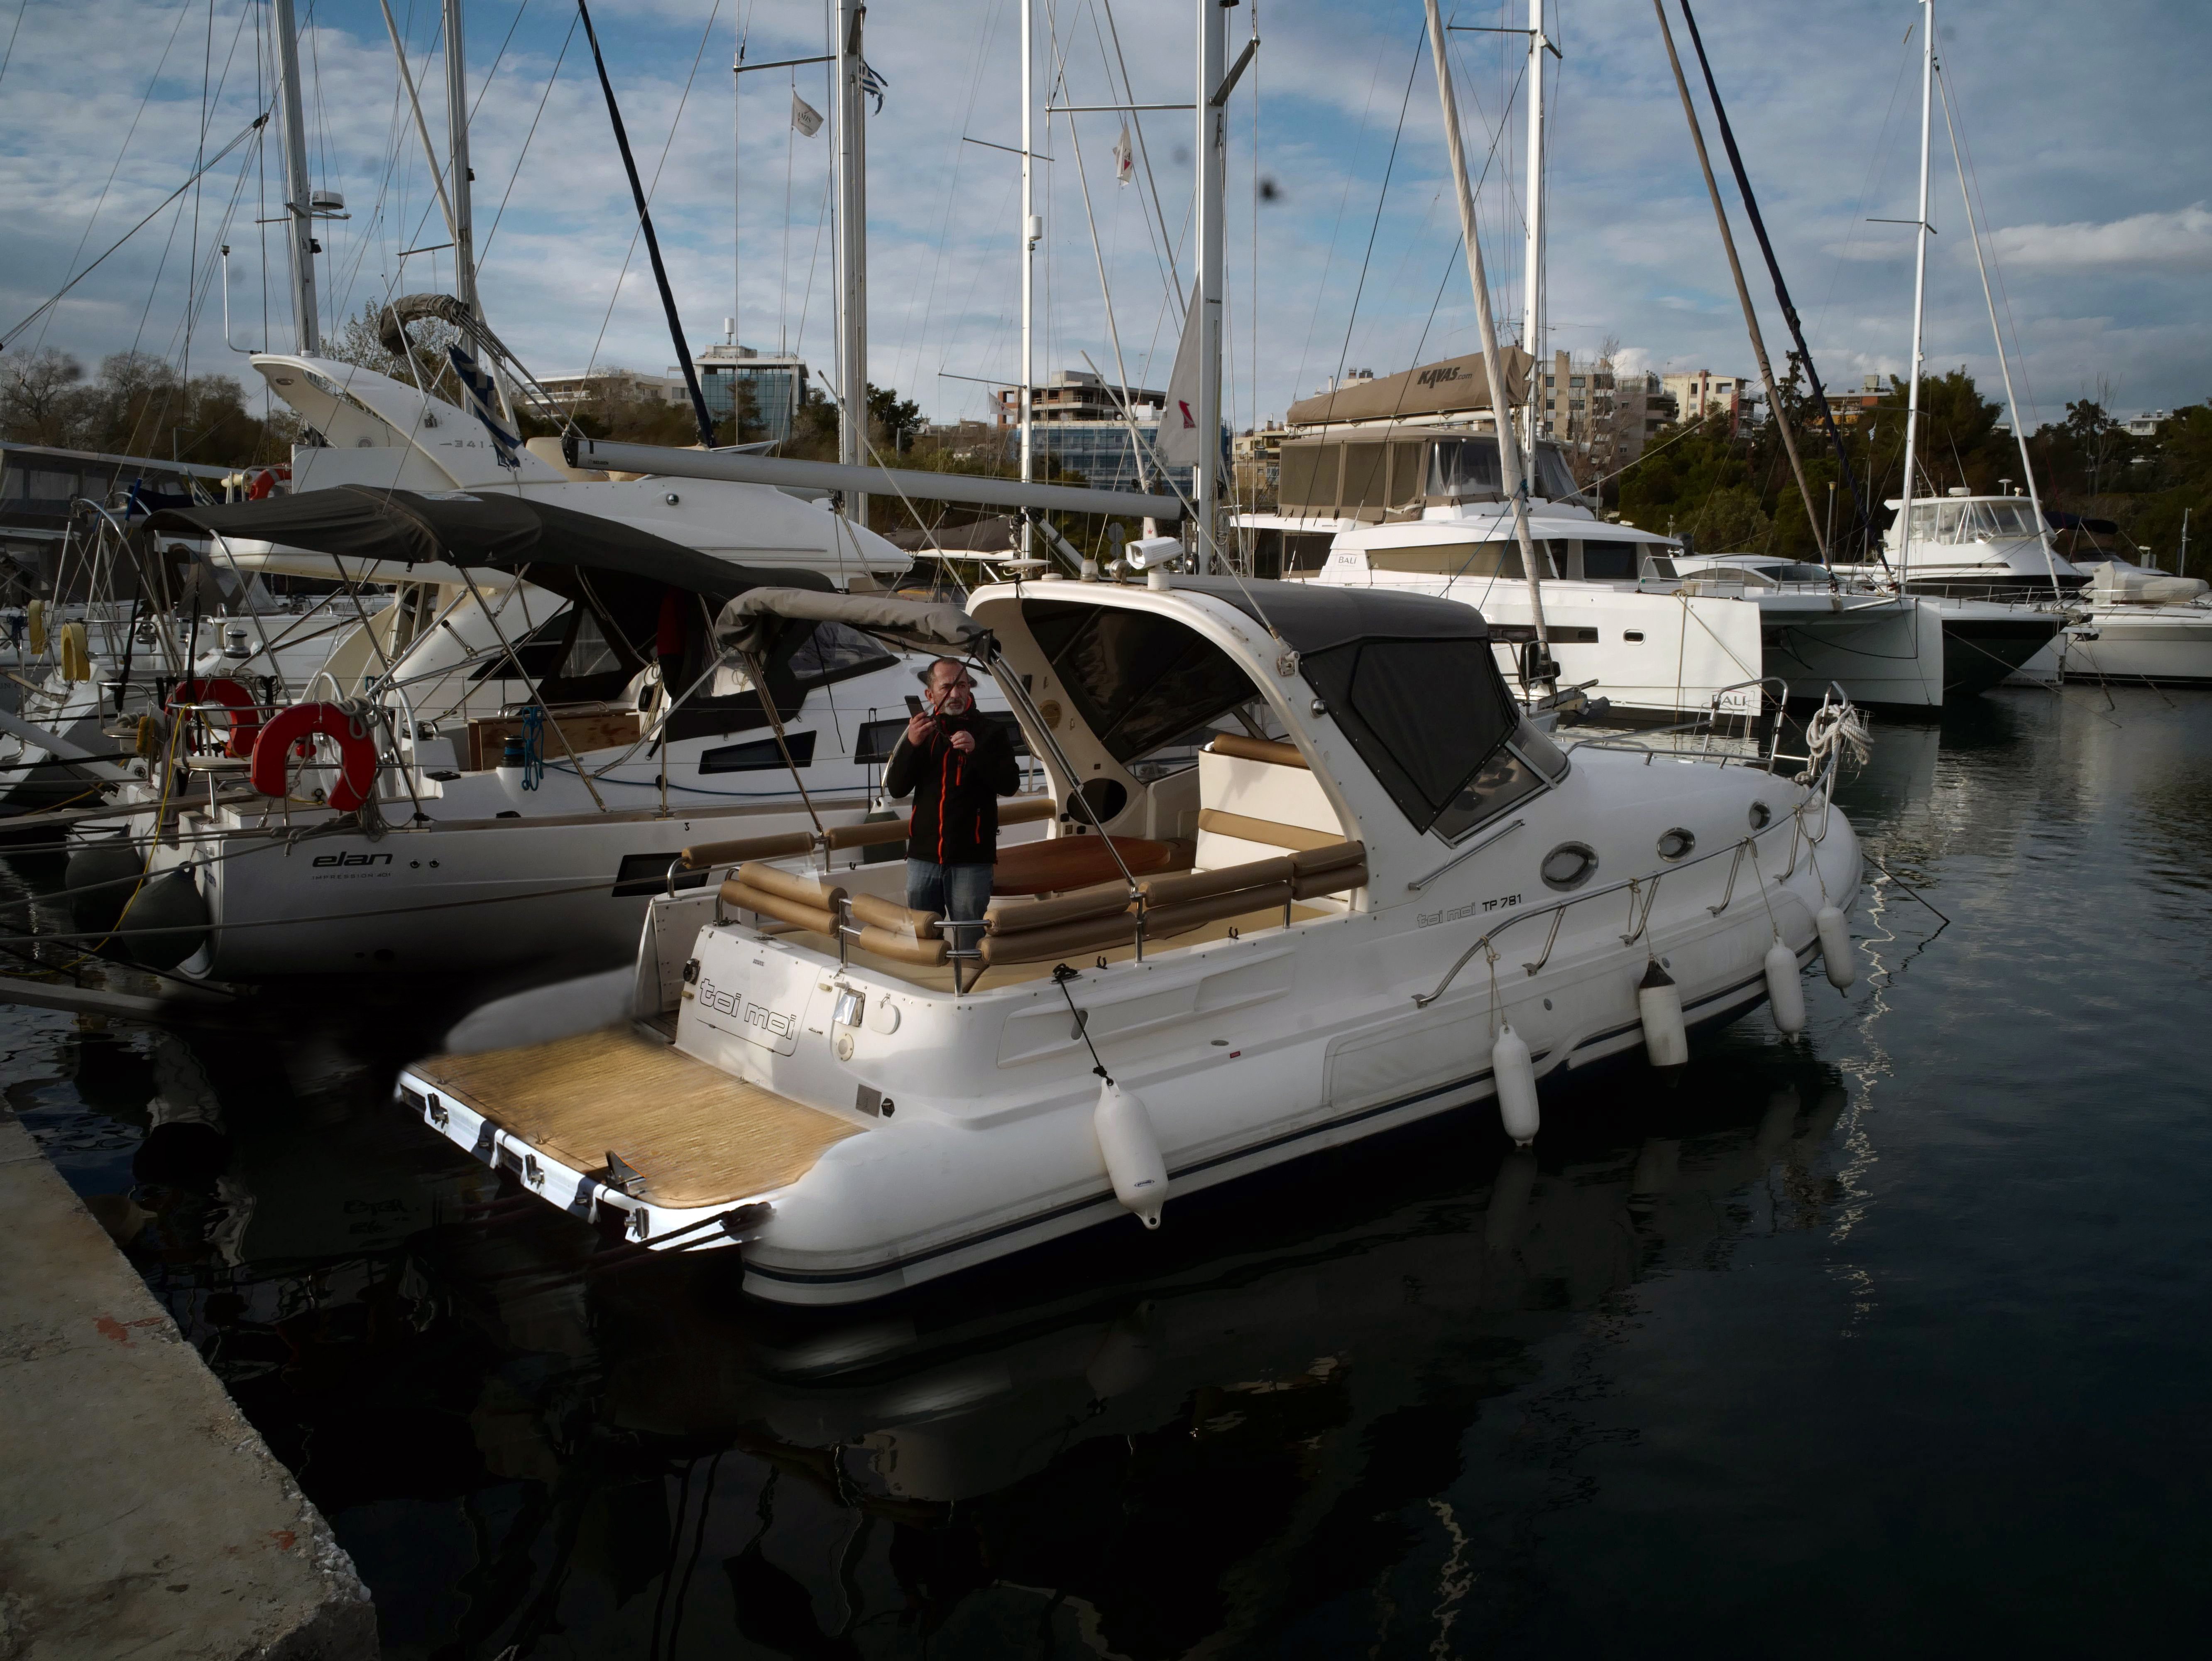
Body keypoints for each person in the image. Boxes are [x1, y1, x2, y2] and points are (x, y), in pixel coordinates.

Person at [884, 657, 1020, 926]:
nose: (956, 694)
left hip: (972, 860)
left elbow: (1010, 786)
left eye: (962, 685)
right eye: (947, 686)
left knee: (969, 939)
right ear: (930, 693)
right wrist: (911, 745)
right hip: (922, 859)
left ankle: (970, 968)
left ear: (970, 688)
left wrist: (976, 752)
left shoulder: (992, 732)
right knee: (926, 941)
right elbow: (897, 789)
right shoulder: (921, 733)